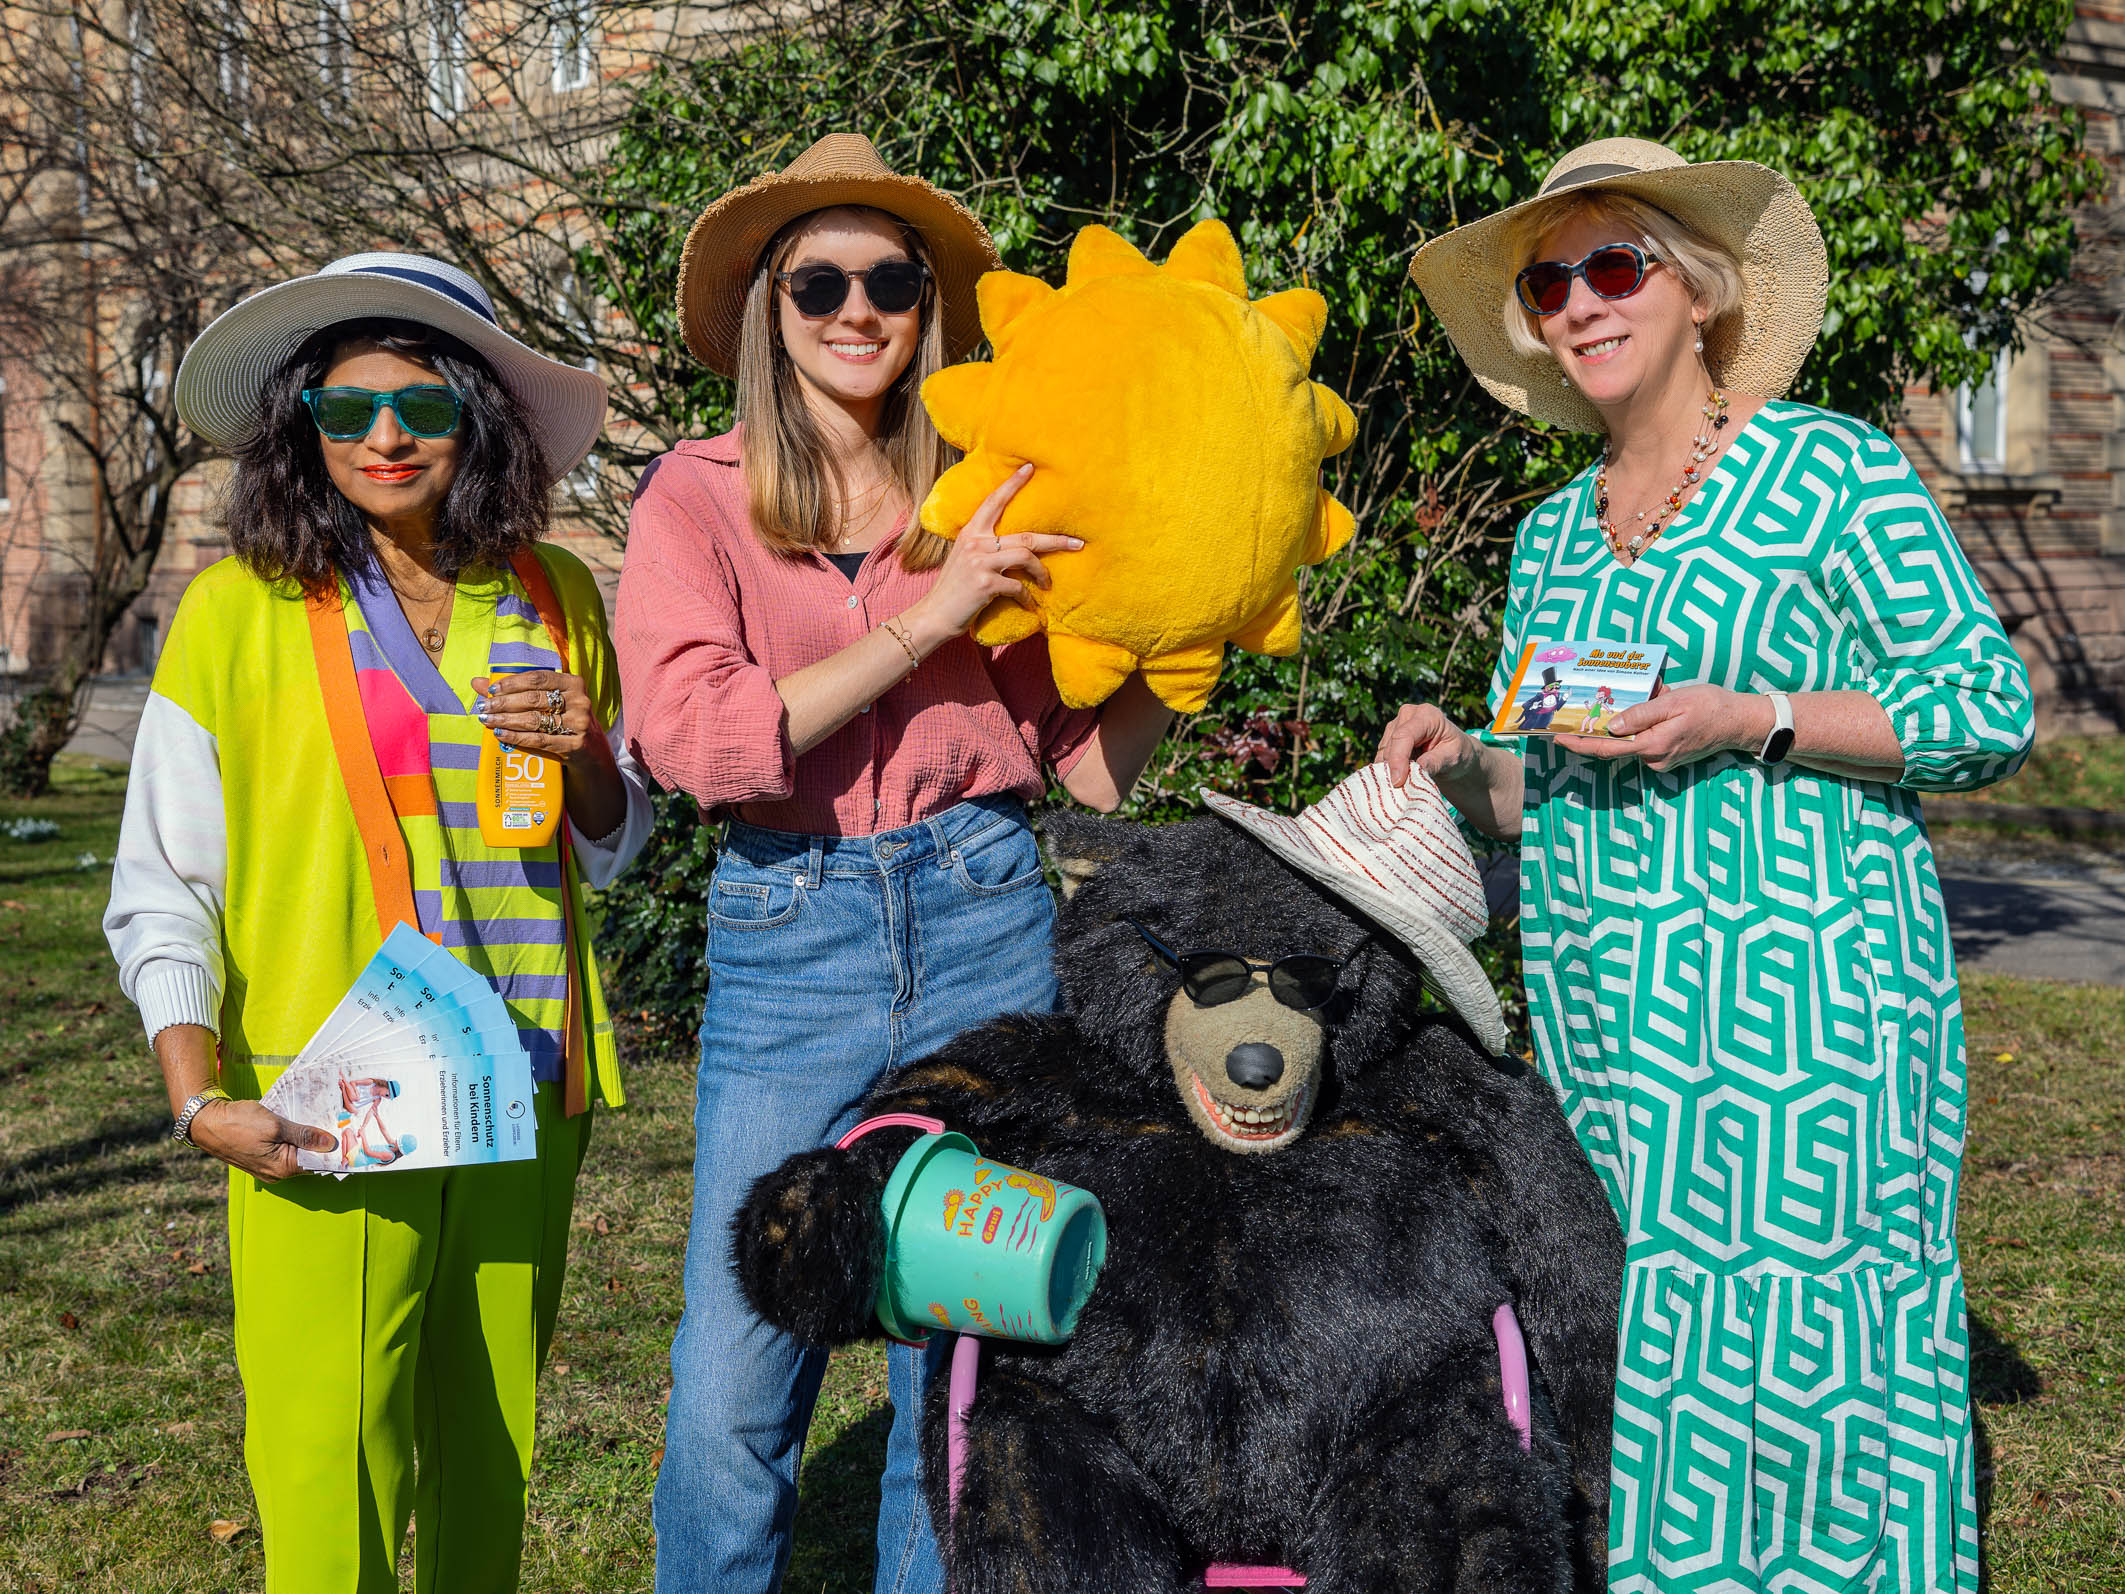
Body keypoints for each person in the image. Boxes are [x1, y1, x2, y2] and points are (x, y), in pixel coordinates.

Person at [1390, 139, 2033, 1593]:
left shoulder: (1827, 470)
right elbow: (1527, 781)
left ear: (1695, 292)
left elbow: (1984, 713)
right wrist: (1456, 756)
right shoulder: (1555, 538)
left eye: (1610, 266)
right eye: (1549, 283)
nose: (1575, 303)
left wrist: (1759, 718)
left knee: (1810, 1351)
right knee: (1657, 1344)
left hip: (1805, 1015)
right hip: (1612, 1027)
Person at [617, 134, 1174, 1594]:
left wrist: (1189, 646)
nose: (858, 309)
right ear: (770, 310)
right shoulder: (696, 496)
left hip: (986, 911)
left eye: (893, 281)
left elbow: (1077, 762)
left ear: (930, 307)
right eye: (820, 282)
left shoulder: (996, 491)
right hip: (789, 931)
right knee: (738, 1373)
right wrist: (928, 621)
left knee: (959, 1366)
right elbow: (700, 743)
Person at [105, 252, 653, 1594]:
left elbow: (613, 840)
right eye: (346, 413)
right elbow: (161, 879)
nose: (385, 436)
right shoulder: (236, 613)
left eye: (420, 405)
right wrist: (194, 1100)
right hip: (326, 1087)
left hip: (525, 1076)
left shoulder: (554, 596)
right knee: (325, 1445)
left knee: (489, 1440)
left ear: (477, 416)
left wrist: (589, 752)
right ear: (303, 429)